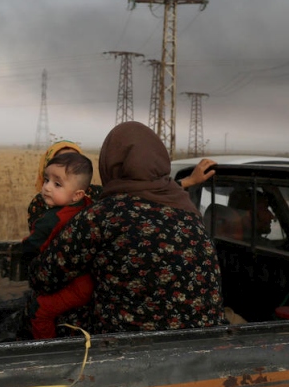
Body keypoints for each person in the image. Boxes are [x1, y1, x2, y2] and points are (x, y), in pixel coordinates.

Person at [29, 121, 226, 335]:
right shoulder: (190, 214)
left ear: (110, 163)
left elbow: (44, 278)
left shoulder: (103, 214)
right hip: (205, 341)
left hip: (128, 347)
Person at [27, 141, 217, 230]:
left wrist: (189, 182)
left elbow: (141, 194)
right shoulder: (39, 203)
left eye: (74, 161)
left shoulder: (93, 194)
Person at [22, 152, 95, 339]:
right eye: (46, 180)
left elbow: (31, 247)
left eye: (57, 184)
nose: (46, 188)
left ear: (77, 194)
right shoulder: (90, 206)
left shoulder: (51, 219)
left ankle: (48, 351)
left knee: (39, 310)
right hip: (88, 279)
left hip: (77, 286)